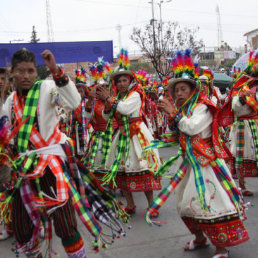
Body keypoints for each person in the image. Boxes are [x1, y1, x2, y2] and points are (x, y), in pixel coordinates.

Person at [1, 48, 128, 257]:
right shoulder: (9, 102)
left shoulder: (47, 87)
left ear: (36, 72)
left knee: (65, 224)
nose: (26, 76)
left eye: (30, 71)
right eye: (20, 71)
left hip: (51, 165)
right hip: (24, 170)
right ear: (12, 72)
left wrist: (56, 71)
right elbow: (6, 135)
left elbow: (73, 102)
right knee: (23, 227)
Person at [146, 49, 249, 258]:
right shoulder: (184, 109)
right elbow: (176, 133)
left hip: (207, 164)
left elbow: (192, 128)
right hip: (190, 164)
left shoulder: (204, 107)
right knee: (185, 203)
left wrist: (173, 114)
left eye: (183, 89)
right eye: (176, 91)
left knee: (211, 202)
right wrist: (171, 119)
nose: (178, 94)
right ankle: (200, 238)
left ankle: (221, 247)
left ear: (193, 90)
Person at [96, 49, 161, 215]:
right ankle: (130, 204)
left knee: (143, 168)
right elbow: (106, 115)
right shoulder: (117, 98)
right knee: (121, 171)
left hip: (138, 135)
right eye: (119, 82)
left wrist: (109, 99)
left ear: (130, 81)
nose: (122, 84)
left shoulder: (136, 95)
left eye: (124, 80)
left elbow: (124, 109)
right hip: (122, 136)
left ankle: (151, 205)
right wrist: (108, 102)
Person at [227, 51, 258, 196]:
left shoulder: (255, 90)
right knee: (240, 155)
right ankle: (242, 184)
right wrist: (243, 99)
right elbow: (235, 107)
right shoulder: (240, 90)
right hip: (242, 127)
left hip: (255, 125)